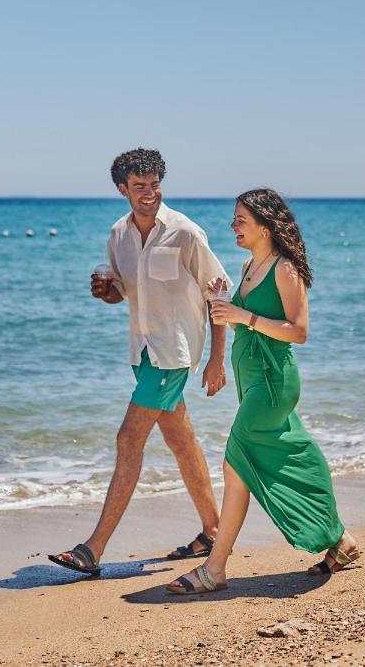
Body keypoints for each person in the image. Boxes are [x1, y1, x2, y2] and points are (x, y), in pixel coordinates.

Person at [167, 188, 359, 594]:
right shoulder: (248, 265)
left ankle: (215, 567)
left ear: (266, 227)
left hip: (273, 383)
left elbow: (298, 331)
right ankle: (340, 540)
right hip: (252, 381)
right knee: (293, 456)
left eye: (240, 220)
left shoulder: (285, 269)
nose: (233, 226)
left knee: (236, 462)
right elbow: (241, 324)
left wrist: (243, 314)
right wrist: (220, 302)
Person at [49, 148, 231, 575]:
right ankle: (213, 530)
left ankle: (91, 550)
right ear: (122, 190)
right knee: (180, 441)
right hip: (142, 352)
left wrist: (217, 359)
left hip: (173, 356)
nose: (149, 194)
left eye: (154, 185)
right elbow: (119, 293)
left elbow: (218, 293)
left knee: (128, 440)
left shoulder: (186, 232)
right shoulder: (118, 235)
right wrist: (104, 292)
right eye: (139, 187)